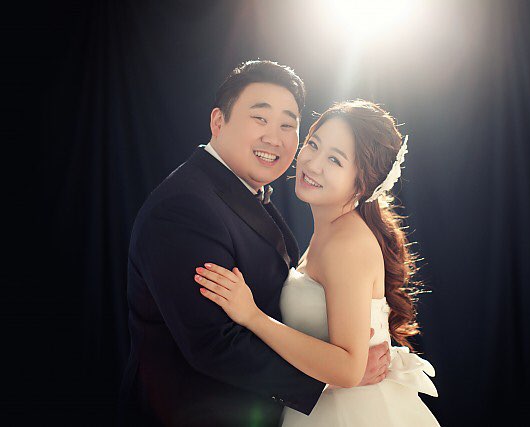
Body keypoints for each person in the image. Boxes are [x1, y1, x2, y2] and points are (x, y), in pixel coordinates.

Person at [118, 61, 391, 426]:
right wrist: (331, 380)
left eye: (287, 125)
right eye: (260, 119)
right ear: (218, 121)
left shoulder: (246, 193)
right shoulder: (184, 207)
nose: (274, 138)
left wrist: (341, 370)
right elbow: (215, 345)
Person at [194, 100, 440, 426]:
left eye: (335, 159)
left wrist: (253, 317)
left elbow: (349, 369)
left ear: (363, 183)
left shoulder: (346, 244)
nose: (313, 163)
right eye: (313, 144)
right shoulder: (331, 231)